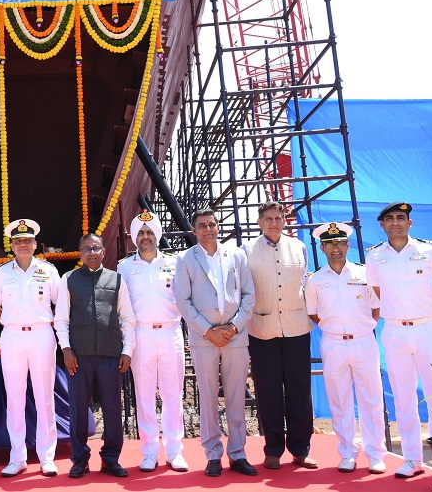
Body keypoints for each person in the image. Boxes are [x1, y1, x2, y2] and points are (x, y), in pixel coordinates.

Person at [366, 201, 432, 479]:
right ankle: (412, 459)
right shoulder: (374, 256)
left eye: (401, 217)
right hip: (395, 331)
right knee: (403, 397)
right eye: (390, 218)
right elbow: (378, 291)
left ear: (410, 223)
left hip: (428, 329)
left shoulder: (429, 250)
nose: (395, 222)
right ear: (382, 224)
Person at [173, 207, 257, 478]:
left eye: (212, 224)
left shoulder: (237, 255)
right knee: (208, 397)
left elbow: (249, 295)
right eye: (202, 226)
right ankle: (212, 455)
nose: (208, 229)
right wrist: (208, 331)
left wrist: (233, 326)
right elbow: (182, 301)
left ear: (218, 226)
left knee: (236, 396)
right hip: (204, 338)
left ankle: (238, 453)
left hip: (235, 335)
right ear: (194, 230)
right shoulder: (185, 259)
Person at [306, 222, 386, 474]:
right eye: (330, 243)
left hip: (364, 341)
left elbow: (377, 308)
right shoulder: (315, 280)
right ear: (322, 248)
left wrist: (362, 326)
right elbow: (313, 313)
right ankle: (348, 453)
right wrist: (334, 328)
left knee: (371, 399)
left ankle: (375, 454)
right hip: (333, 343)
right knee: (339, 400)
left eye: (340, 242)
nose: (336, 248)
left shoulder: (365, 274)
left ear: (348, 245)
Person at [54, 233, 135, 479]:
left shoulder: (117, 279)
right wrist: (66, 349)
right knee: (78, 409)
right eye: (86, 249)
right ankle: (80, 459)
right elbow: (61, 318)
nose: (92, 252)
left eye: (96, 248)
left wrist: (127, 350)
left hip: (111, 354)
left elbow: (126, 318)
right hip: (79, 355)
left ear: (103, 251)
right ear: (80, 253)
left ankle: (111, 458)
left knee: (112, 408)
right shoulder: (68, 279)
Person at [0, 218, 61, 478]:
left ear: (35, 244)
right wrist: (8, 321)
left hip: (41, 334)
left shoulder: (48, 270)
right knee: (15, 399)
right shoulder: (1, 273)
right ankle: (17, 457)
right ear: (11, 245)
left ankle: (47, 457)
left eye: (27, 240)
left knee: (45, 398)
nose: (23, 245)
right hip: (13, 336)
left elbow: (60, 303)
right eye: (18, 241)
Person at [244, 201, 316, 469]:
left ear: (284, 221)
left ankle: (300, 448)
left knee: (299, 390)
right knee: (268, 391)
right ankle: (273, 449)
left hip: (296, 328)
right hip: (262, 330)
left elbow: (306, 283)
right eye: (268, 218)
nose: (274, 223)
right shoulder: (247, 250)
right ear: (260, 222)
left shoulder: (299, 247)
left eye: (278, 218)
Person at [117, 210, 188, 473]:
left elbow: (185, 298)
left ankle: (174, 450)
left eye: (149, 232)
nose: (145, 237)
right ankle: (149, 450)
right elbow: (122, 309)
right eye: (141, 233)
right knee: (144, 395)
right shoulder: (124, 267)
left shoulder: (175, 262)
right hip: (141, 335)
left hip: (170, 332)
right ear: (135, 237)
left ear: (157, 235)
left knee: (173, 395)